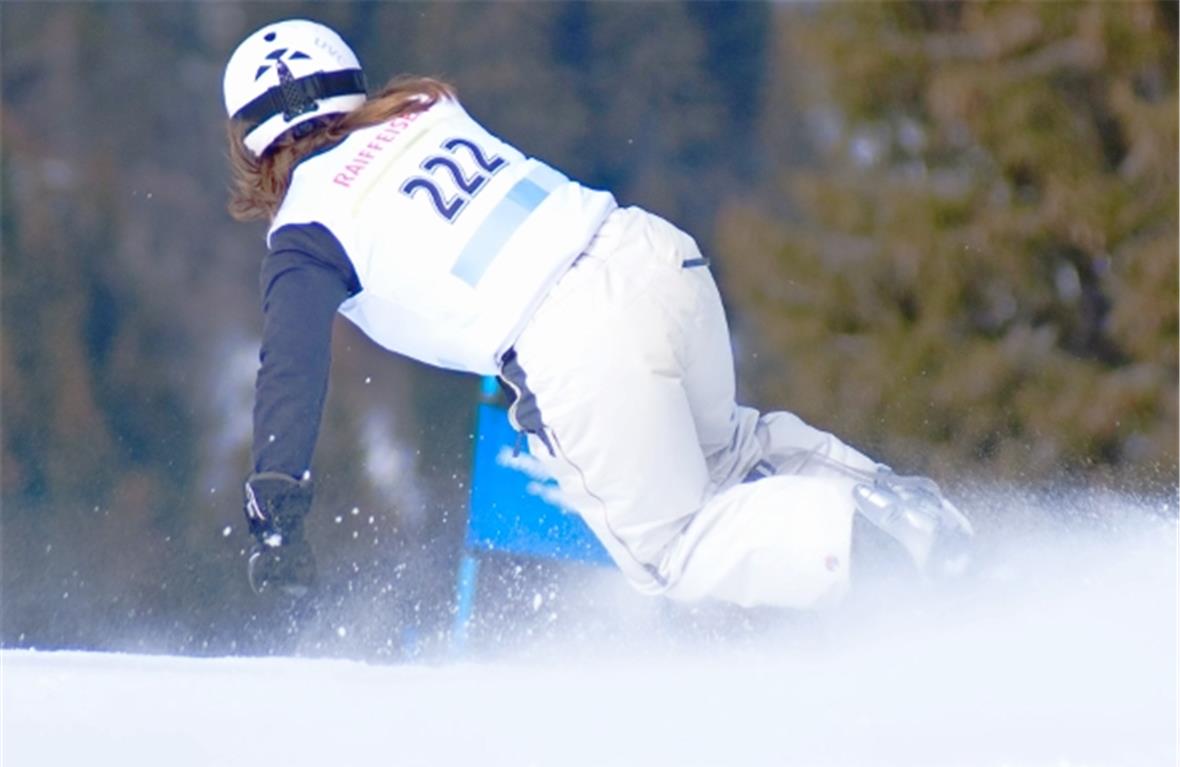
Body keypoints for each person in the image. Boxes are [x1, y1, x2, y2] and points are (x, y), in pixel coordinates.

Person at [223, 19, 972, 608]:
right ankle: (908, 516)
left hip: (576, 342)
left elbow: (291, 364)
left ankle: (863, 536)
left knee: (675, 551)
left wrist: (277, 500)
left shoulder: (306, 231)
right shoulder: (427, 108)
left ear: (251, 147)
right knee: (730, 458)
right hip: (648, 251)